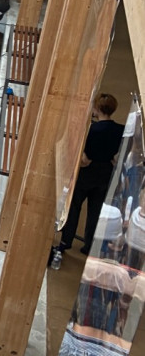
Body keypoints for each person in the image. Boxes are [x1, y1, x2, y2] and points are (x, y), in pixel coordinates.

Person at [59, 93, 126, 255]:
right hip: (105, 174)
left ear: (97, 109)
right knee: (95, 212)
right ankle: (89, 245)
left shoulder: (91, 129)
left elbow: (84, 155)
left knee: (74, 207)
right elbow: (118, 155)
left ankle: (65, 241)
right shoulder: (120, 130)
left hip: (87, 171)